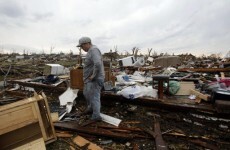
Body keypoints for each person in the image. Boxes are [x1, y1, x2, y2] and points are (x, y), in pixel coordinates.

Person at [77, 37, 105, 121]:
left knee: (94, 97)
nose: (82, 48)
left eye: (82, 46)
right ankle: (91, 109)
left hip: (94, 79)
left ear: (87, 43)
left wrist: (93, 76)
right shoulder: (91, 51)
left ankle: (96, 116)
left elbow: (97, 63)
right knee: (87, 94)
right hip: (90, 80)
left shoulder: (93, 50)